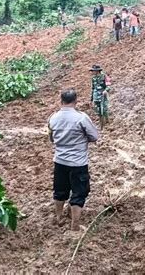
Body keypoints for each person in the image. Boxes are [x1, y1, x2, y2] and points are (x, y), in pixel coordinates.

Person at [48, 89, 98, 231]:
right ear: (76, 101)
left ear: (61, 101)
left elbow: (51, 138)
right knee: (79, 192)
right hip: (78, 163)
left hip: (59, 160)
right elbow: (94, 136)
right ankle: (75, 225)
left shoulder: (53, 118)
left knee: (59, 190)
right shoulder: (81, 118)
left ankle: (58, 217)